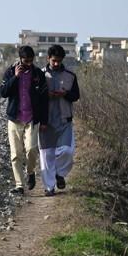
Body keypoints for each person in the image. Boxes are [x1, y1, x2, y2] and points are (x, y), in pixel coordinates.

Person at [0, 46, 48, 195]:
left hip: (32, 119)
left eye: (30, 60)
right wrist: (15, 77)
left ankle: (31, 172)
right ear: (20, 59)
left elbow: (44, 99)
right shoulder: (10, 71)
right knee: (15, 154)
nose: (28, 63)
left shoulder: (38, 74)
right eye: (25, 60)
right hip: (15, 119)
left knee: (32, 149)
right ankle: (19, 185)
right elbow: (3, 93)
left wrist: (44, 121)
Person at [38, 45, 80, 196]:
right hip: (45, 121)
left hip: (64, 120)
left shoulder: (70, 76)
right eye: (54, 60)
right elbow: (34, 97)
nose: (56, 64)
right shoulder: (40, 75)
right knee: (46, 155)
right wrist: (45, 95)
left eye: (59, 61)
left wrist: (64, 94)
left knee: (67, 151)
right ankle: (49, 188)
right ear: (48, 58)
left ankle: (59, 173)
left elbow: (76, 96)